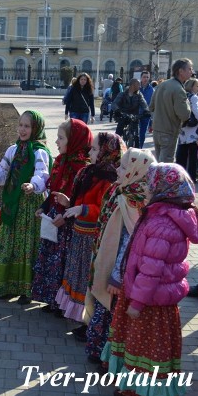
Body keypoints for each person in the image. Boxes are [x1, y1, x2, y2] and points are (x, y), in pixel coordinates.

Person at [101, 163, 198, 396]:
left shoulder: (163, 223)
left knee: (148, 350)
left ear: (163, 188)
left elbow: (151, 271)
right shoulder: (160, 214)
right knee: (137, 347)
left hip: (149, 302)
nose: (145, 188)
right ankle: (133, 391)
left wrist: (136, 303)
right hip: (144, 296)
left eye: (149, 184)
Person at [85, 148, 155, 365]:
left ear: (136, 171)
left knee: (111, 315)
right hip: (108, 262)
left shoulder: (136, 200)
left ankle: (108, 359)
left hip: (120, 274)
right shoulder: (120, 190)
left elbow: (128, 243)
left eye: (124, 166)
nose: (118, 168)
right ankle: (100, 353)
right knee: (103, 311)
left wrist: (116, 275)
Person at [54, 132, 124, 339]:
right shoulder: (90, 173)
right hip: (79, 233)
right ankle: (77, 315)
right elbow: (81, 200)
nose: (90, 152)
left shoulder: (109, 180)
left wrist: (83, 209)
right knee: (76, 275)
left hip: (92, 238)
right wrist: (70, 203)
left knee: (88, 279)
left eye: (94, 149)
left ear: (107, 152)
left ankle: (88, 322)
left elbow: (104, 209)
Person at [0, 110, 52, 304]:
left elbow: (43, 174)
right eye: (20, 125)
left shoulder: (39, 152)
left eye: (27, 126)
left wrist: (33, 185)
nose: (22, 129)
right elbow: (3, 169)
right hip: (12, 203)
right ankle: (7, 285)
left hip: (29, 204)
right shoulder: (13, 150)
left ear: (36, 128)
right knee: (7, 242)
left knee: (26, 245)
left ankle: (26, 290)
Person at [31, 118, 92, 314]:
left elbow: (81, 200)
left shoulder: (83, 169)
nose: (56, 142)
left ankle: (62, 303)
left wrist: (65, 216)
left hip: (68, 225)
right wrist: (44, 205)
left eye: (61, 138)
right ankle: (51, 299)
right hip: (54, 219)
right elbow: (54, 189)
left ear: (74, 140)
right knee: (51, 261)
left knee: (64, 264)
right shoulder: (60, 161)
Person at [149, 58, 194, 162]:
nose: (192, 71)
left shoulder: (162, 84)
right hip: (169, 131)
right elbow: (184, 115)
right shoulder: (178, 89)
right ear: (180, 71)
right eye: (189, 69)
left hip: (157, 129)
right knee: (166, 166)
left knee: (160, 163)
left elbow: (151, 106)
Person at [176, 78, 198, 183]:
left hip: (183, 127)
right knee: (192, 156)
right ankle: (191, 177)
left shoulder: (182, 95)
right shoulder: (194, 97)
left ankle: (179, 176)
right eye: (197, 86)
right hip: (192, 130)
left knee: (181, 154)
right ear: (192, 86)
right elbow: (197, 112)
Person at [138, 71, 154, 148]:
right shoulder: (136, 87)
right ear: (141, 78)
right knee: (133, 131)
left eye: (147, 77)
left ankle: (139, 148)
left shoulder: (151, 90)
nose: (146, 79)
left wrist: (151, 118)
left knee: (142, 133)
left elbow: (153, 103)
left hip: (146, 114)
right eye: (144, 77)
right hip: (135, 113)